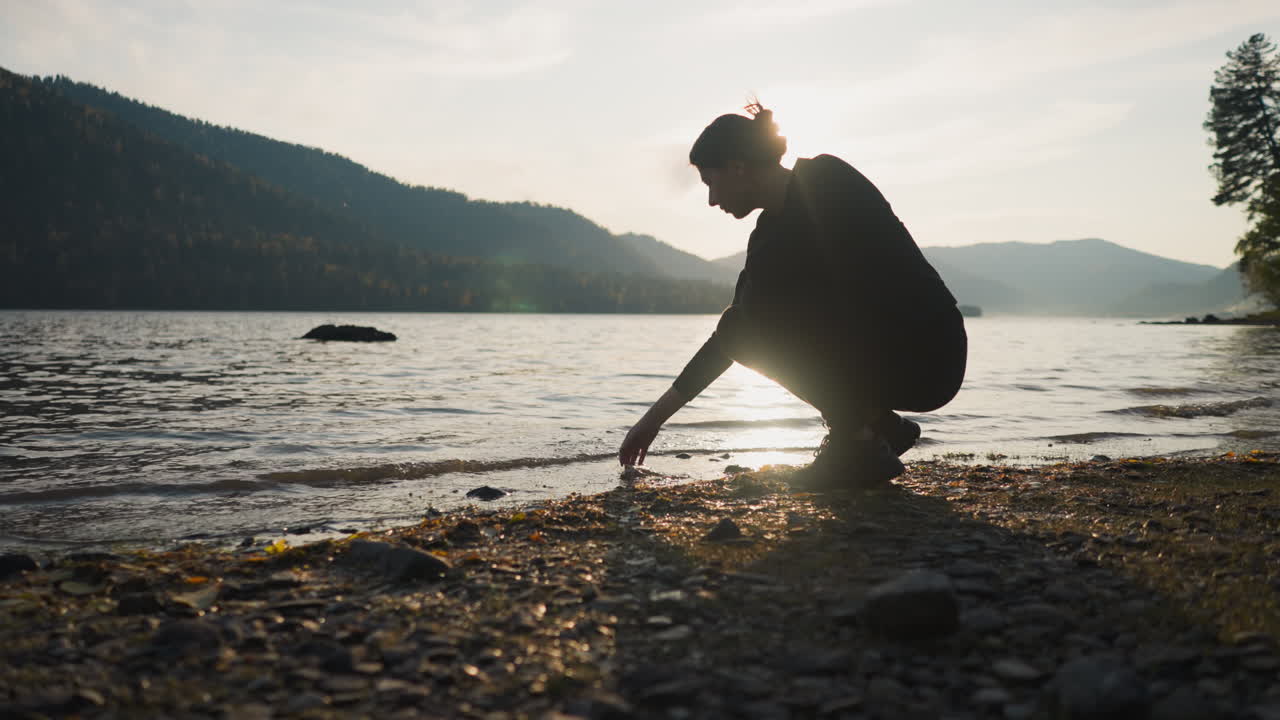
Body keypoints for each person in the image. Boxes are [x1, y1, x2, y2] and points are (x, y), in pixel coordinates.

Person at [618, 103, 967, 489]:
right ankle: (880, 429)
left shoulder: (826, 180)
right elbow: (732, 337)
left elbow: (868, 280)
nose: (712, 200)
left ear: (738, 167)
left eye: (711, 183)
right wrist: (652, 420)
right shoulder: (769, 238)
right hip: (889, 355)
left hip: (931, 350)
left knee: (753, 322)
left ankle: (858, 443)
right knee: (739, 325)